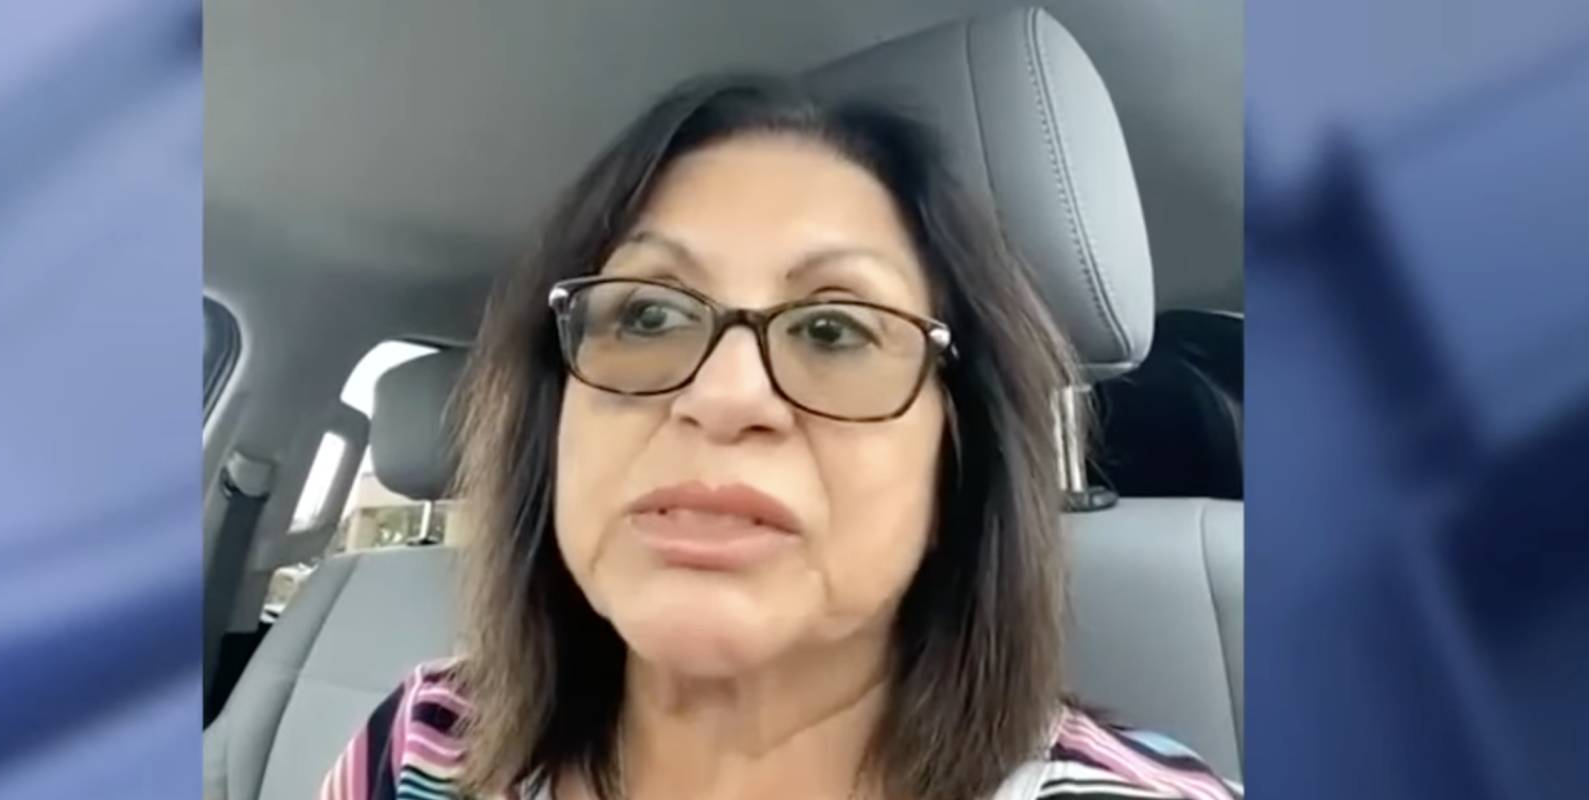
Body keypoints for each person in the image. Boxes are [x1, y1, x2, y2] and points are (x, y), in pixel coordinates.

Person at [318, 75, 1242, 800]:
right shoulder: (425, 745)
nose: (723, 397)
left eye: (834, 329)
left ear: (955, 458)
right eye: (645, 315)